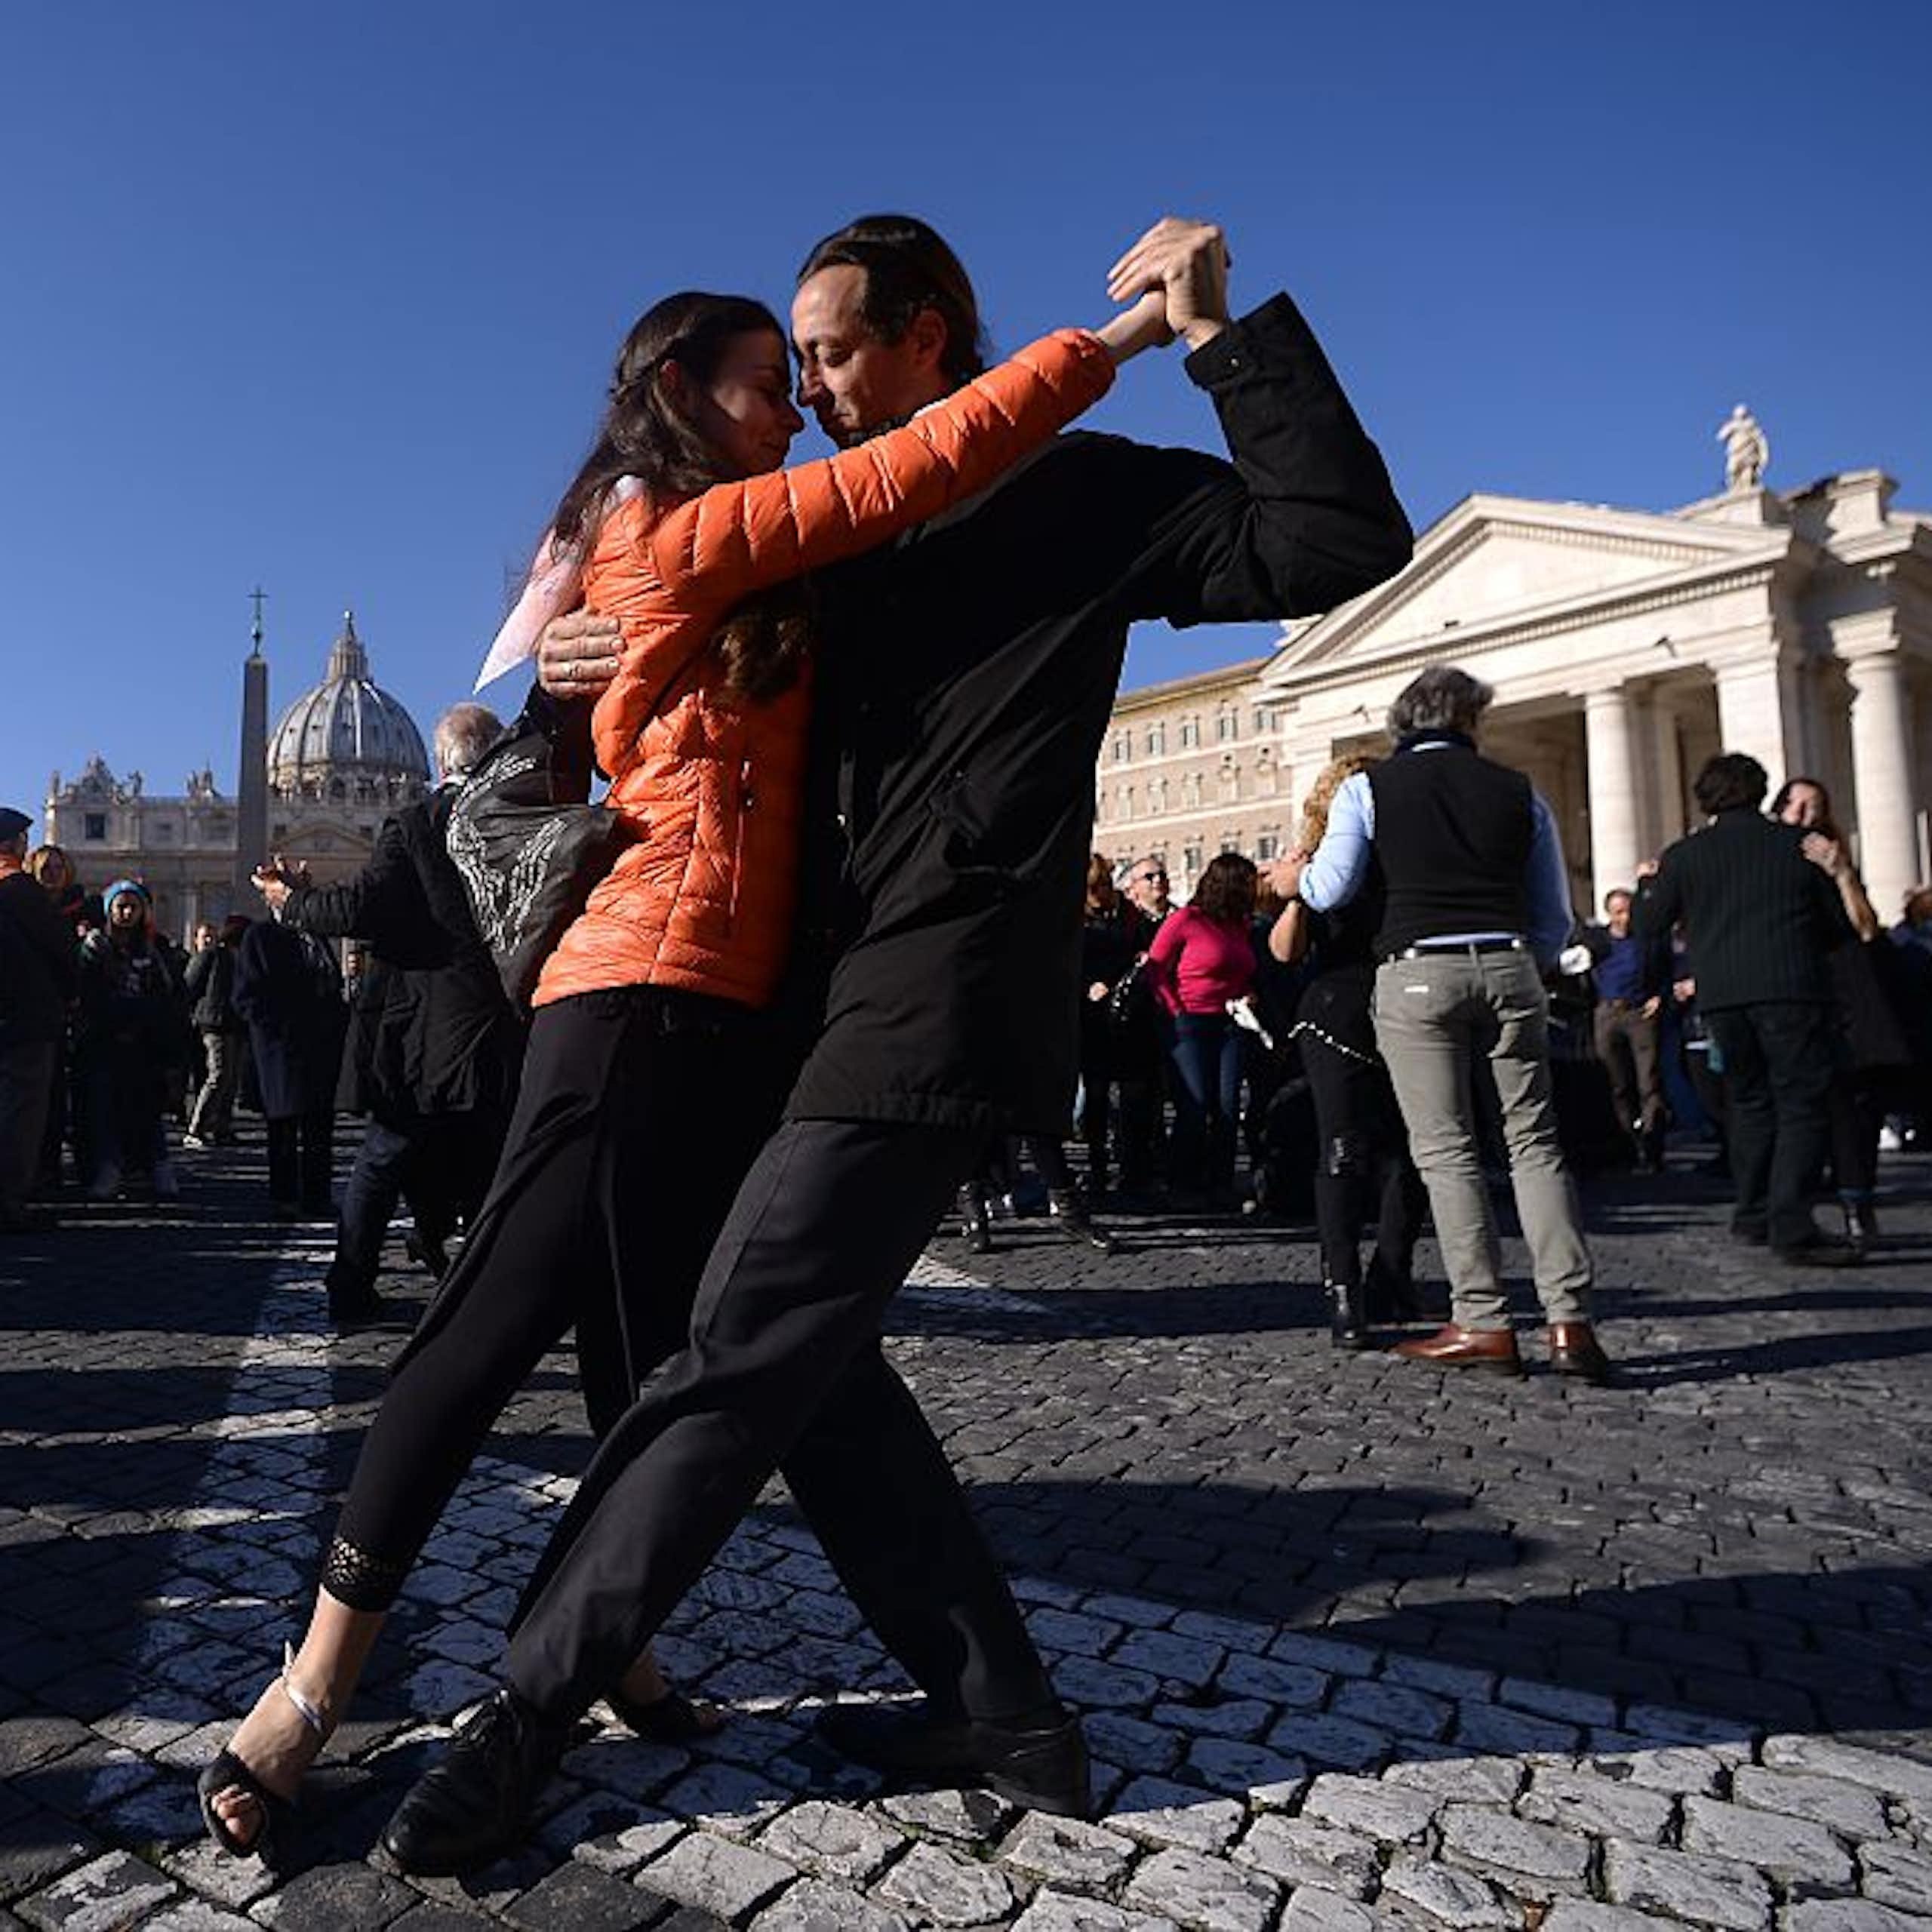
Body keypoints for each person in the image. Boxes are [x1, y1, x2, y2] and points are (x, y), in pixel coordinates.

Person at [377, 211, 1411, 1874]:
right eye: (789, 365)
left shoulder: (1070, 495)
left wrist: (1222, 339)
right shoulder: (812, 538)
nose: (808, 389)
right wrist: (577, 658)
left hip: (935, 985)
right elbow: (676, 681)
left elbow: (1336, 534)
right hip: (786, 1006)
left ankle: (522, 1711)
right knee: (818, 1372)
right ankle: (1000, 1704)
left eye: (836, 353)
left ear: (935, 334)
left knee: (736, 1348)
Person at [198, 269, 1157, 1862]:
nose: (788, 404)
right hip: (640, 984)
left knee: (653, 1340)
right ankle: (309, 1685)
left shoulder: (725, 547)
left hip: (725, 1005)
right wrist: (1109, 341)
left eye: (799, 377)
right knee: (487, 1320)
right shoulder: (676, 524)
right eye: (758, 379)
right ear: (677, 393)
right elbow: (909, 467)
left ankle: (619, 1642)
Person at [1286, 666, 1609, 1382]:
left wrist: (1299, 881)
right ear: (1471, 723)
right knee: (1535, 1143)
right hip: (1510, 965)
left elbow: (1331, 887)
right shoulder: (1520, 792)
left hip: (1417, 968)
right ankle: (1570, 1322)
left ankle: (1485, 1320)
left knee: (1447, 1149)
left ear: (1401, 724)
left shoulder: (1369, 789)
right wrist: (1533, 965)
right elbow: (1554, 912)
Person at [254, 703, 525, 1327]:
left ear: (437, 760)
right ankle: (480, 1289)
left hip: (427, 1030)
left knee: (383, 1157)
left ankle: (353, 1281)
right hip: (502, 1023)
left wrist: (290, 901)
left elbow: (358, 908)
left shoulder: (415, 823)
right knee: (487, 1158)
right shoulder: (516, 822)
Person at [1636, 754, 1855, 1263]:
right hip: (1791, 990)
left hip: (1722, 998)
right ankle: (1792, 1225)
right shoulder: (1793, 847)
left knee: (1749, 1104)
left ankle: (1753, 1212)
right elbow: (1837, 931)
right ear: (1761, 792)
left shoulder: (1685, 856)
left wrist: (1650, 887)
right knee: (1800, 1107)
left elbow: (1649, 926)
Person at [1268, 757, 1427, 1348]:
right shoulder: (1315, 861)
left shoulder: (1399, 855)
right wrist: (1296, 897)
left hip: (1400, 1005)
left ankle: (1392, 1272)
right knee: (1344, 1148)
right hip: (1339, 1010)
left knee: (1412, 1149)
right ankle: (1344, 1288)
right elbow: (1285, 952)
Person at [1769, 776, 1909, 1254]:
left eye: (1816, 806)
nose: (1806, 815)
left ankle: (1857, 1203)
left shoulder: (1837, 861)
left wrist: (1842, 874)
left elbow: (1867, 930)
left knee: (1857, 1100)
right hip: (1794, 988)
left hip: (1848, 987)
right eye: (1797, 806)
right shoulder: (1767, 862)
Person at [1145, 853, 1259, 1204]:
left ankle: (1220, 1182)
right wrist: (1176, 1011)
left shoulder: (1240, 926)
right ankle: (1184, 1182)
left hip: (1230, 1022)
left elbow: (1244, 970)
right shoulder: (1186, 920)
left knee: (1227, 1106)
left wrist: (1247, 994)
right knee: (1194, 1105)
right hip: (1190, 1022)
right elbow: (1155, 968)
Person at [232, 903, 343, 1221]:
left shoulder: (316, 935)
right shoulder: (261, 935)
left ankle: (317, 1194)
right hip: (281, 1046)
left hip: (319, 1045)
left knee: (319, 1128)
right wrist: (273, 1030)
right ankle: (284, 1195)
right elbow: (245, 996)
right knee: (283, 1128)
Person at [74, 879, 183, 1201]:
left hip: (144, 1041)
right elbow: (90, 995)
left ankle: (157, 1165)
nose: (126, 913)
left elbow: (166, 996)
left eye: (132, 907)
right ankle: (110, 1168)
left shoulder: (154, 950)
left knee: (147, 1107)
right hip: (105, 1038)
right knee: (105, 1108)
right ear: (110, 911)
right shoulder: (96, 947)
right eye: (120, 906)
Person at [0, 808, 79, 1233]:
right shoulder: (19, 890)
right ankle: (10, 1201)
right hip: (24, 1017)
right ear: (15, 845)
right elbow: (61, 951)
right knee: (21, 1110)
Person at [1581, 887, 1670, 1171]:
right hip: (1608, 1012)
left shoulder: (1648, 941)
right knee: (1615, 1083)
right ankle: (1626, 1147)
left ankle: (1653, 1148)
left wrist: (1660, 996)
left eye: (1628, 910)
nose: (1625, 917)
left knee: (1649, 1082)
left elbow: (1666, 969)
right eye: (1618, 912)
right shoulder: (1598, 942)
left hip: (1640, 1012)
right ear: (1609, 913)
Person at [182, 916, 247, 1149]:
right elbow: (189, 985)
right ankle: (196, 1128)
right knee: (218, 1075)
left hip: (234, 1024)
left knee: (230, 1079)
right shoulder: (212, 956)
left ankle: (222, 1126)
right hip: (214, 1023)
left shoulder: (238, 960)